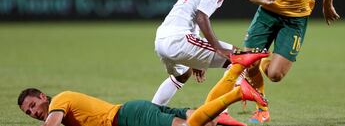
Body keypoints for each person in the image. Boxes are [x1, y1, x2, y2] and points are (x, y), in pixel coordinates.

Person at [152, 0, 262, 126]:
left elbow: (191, 15)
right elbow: (201, 17)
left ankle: (152, 111)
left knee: (182, 75)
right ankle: (222, 112)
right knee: (239, 58)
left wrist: (196, 57)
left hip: (162, 39)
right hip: (179, 39)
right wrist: (217, 48)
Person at [17, 59, 269, 126]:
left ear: (42, 96)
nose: (32, 112)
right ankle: (235, 74)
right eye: (27, 112)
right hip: (134, 114)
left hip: (129, 117)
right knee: (206, 121)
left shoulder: (60, 100)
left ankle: (238, 93)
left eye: (32, 105)